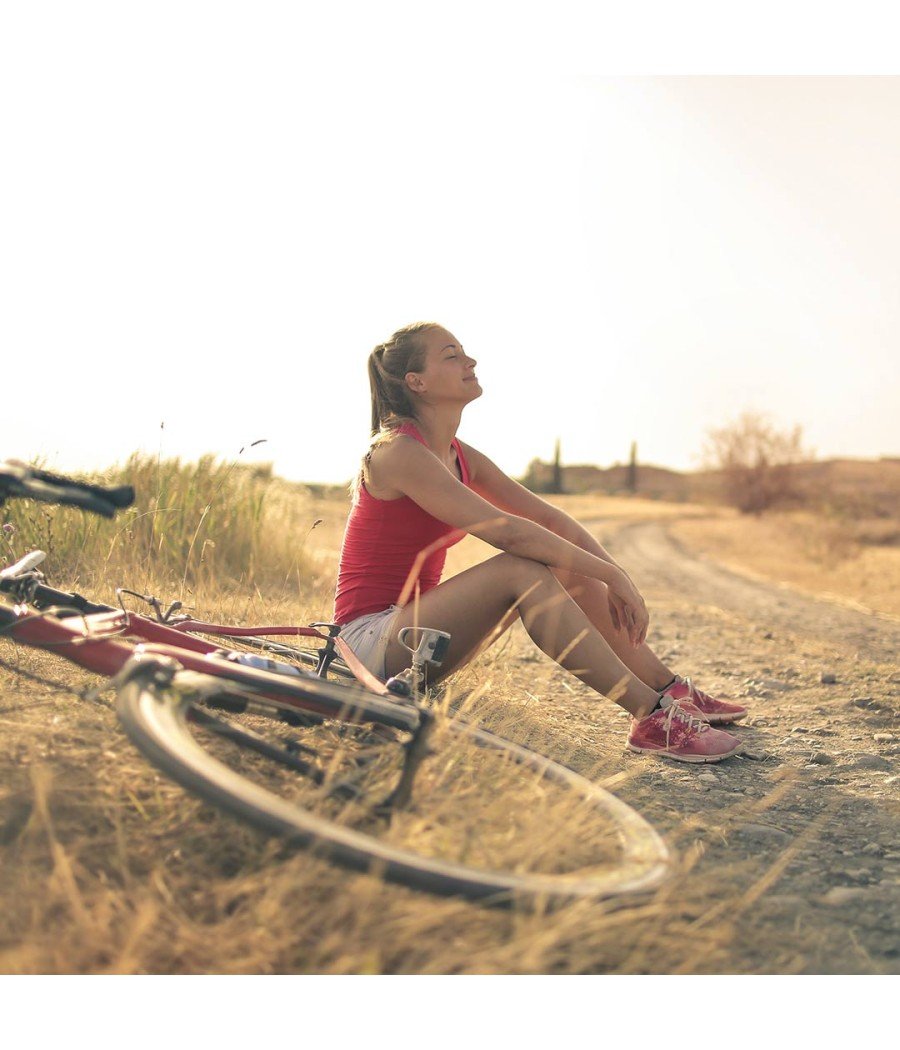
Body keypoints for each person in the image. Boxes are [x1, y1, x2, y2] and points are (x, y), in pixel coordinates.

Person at [334, 322, 748, 763]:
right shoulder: (397, 452)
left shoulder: (459, 455)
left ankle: (669, 690)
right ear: (416, 382)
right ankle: (650, 716)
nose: (469, 361)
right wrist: (608, 573)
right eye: (451, 355)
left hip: (420, 639)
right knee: (521, 568)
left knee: (568, 563)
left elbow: (548, 517)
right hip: (367, 644)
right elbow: (506, 530)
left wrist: (613, 575)